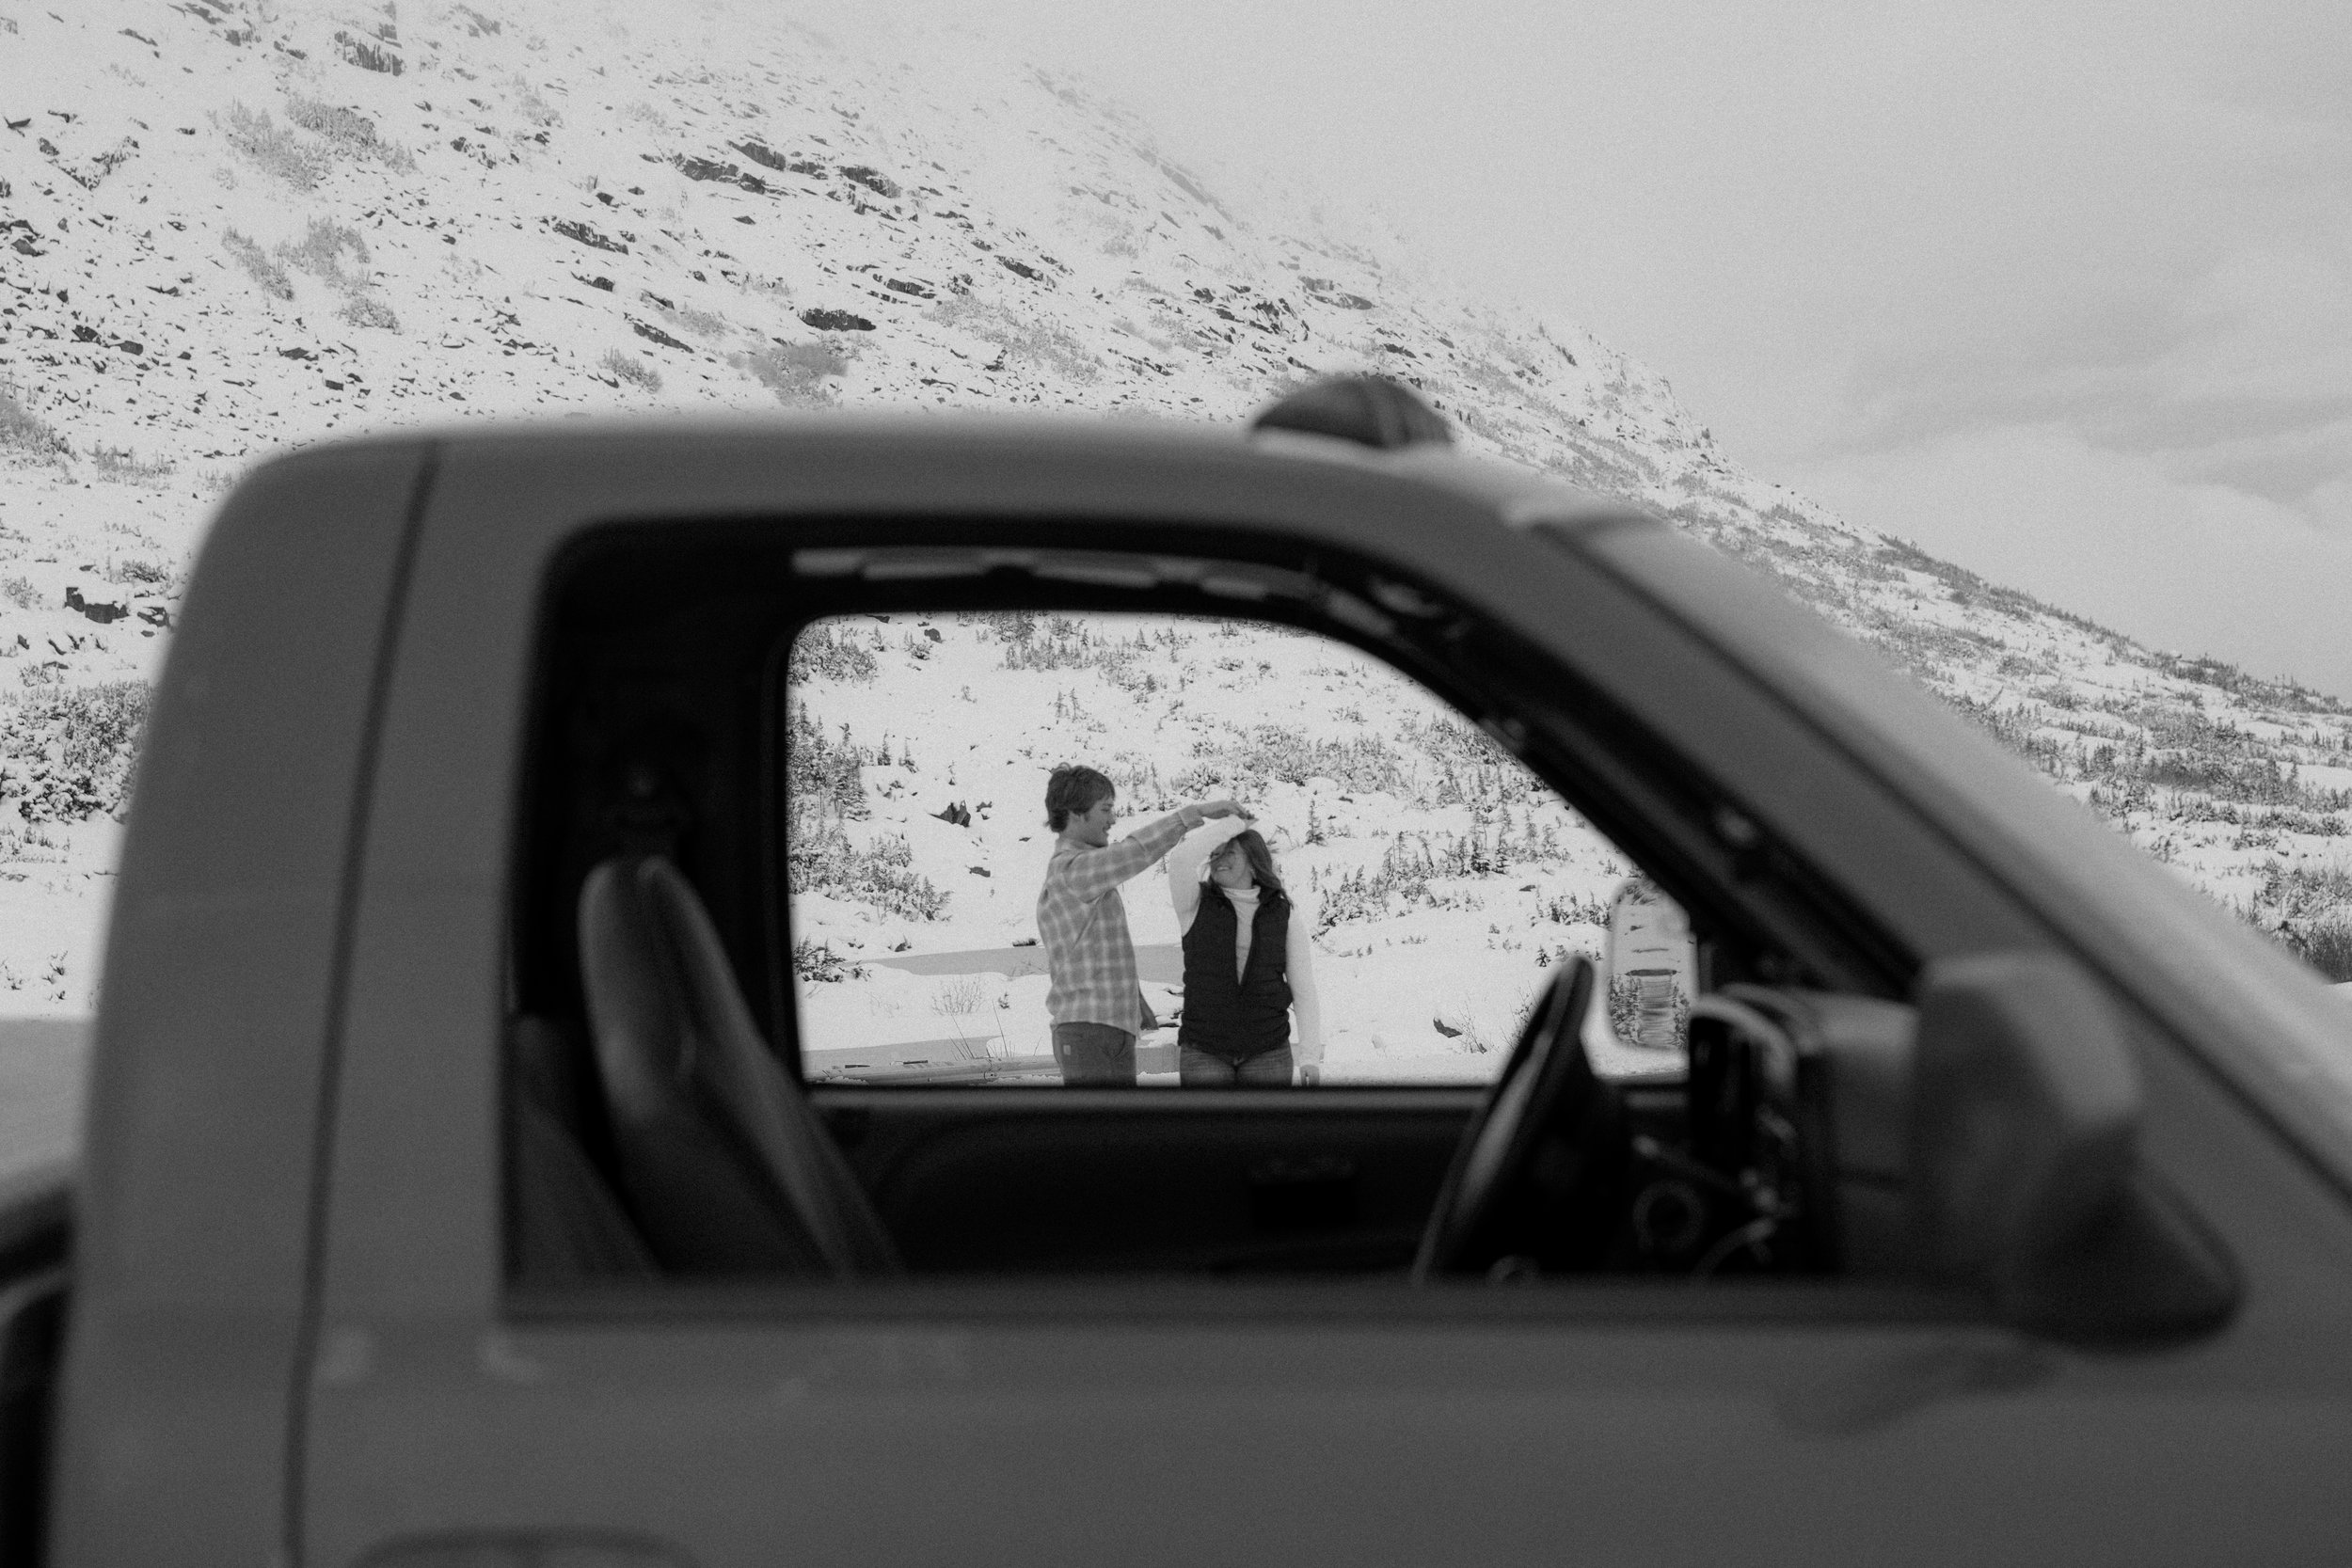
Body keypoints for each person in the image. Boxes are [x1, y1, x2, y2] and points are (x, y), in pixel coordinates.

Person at [1036, 765, 1248, 1085]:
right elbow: (1135, 851)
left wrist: (1134, 1004)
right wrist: (1195, 814)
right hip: (1088, 1034)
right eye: (1105, 809)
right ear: (1075, 814)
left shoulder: (1083, 875)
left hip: (1105, 1030)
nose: (1113, 819)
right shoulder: (1072, 870)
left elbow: (1094, 950)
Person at [1167, 817, 1324, 1085]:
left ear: (1252, 861)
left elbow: (1303, 989)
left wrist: (1309, 1056)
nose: (1219, 859)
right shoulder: (1195, 904)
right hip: (1204, 1050)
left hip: (1268, 1051)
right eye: (1215, 853)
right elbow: (1181, 859)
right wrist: (1234, 823)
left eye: (1230, 852)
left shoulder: (1282, 913)